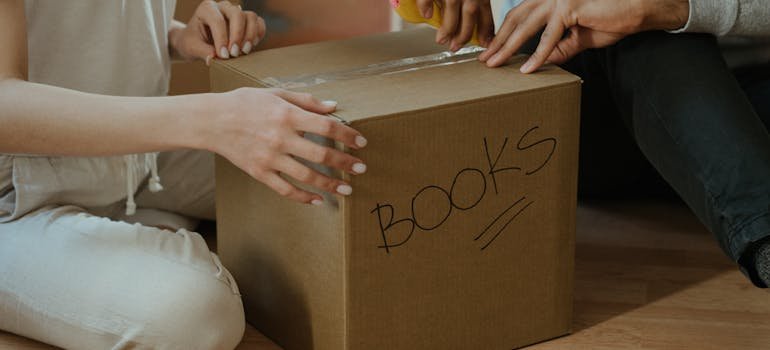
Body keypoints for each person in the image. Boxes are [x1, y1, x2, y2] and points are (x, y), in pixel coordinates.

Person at [0, 0, 368, 348]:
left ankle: (140, 223)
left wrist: (178, 36)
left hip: (137, 158)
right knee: (196, 315)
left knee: (330, 172)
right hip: (16, 198)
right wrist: (212, 120)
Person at [417, 0, 770, 288]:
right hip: (581, 115)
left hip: (737, 109)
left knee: (636, 11)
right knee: (627, 23)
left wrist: (670, 7)